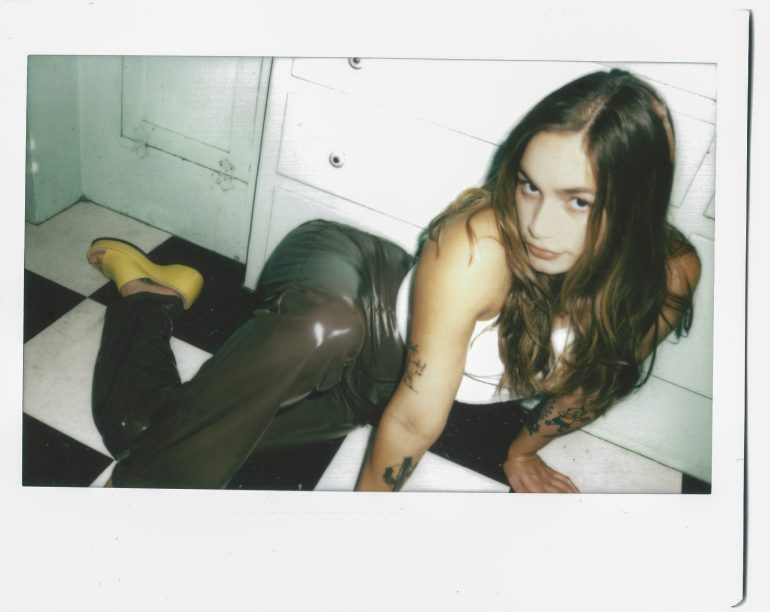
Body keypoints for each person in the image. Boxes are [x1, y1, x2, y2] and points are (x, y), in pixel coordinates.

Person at [87, 68, 700, 492]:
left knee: (144, 431)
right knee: (323, 330)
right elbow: (413, 421)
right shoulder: (478, 249)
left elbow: (599, 380)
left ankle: (150, 295)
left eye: (579, 201)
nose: (538, 224)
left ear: (637, 204)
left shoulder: (667, 277)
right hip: (350, 285)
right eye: (529, 186)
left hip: (379, 385)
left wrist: (521, 453)